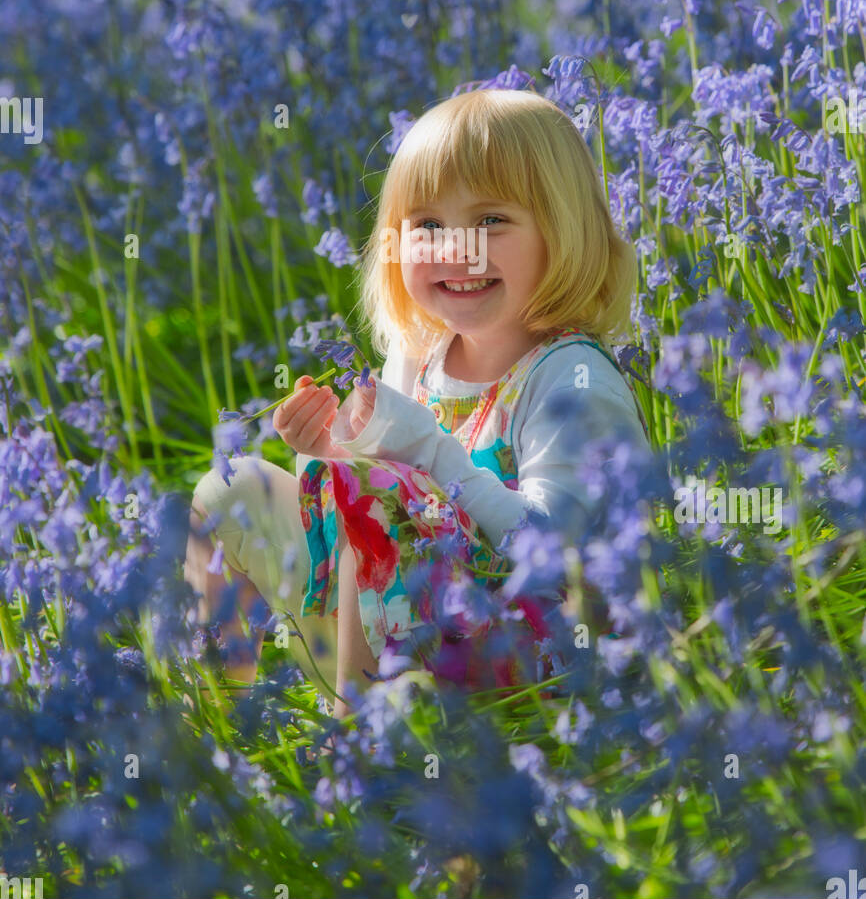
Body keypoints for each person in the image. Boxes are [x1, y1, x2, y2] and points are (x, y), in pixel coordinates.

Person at [185, 88, 650, 719]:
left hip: (521, 677)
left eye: (491, 221)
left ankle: (361, 764)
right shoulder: (417, 359)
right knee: (228, 493)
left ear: (561, 231)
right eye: (429, 225)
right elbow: (362, 514)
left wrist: (424, 451)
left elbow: (561, 557)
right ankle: (217, 733)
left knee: (373, 491)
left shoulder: (569, 379)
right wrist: (327, 450)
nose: (458, 248)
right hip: (397, 647)